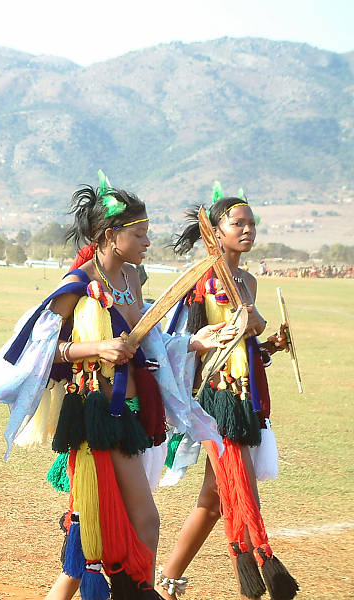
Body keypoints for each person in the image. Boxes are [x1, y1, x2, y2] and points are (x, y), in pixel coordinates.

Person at [0, 172, 233, 600]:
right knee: (142, 521)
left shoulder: (132, 280)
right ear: (111, 235)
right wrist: (97, 347)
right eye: (140, 234)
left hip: (134, 413)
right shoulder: (75, 285)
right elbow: (45, 352)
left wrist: (194, 340)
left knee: (96, 529)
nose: (148, 242)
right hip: (98, 414)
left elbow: (149, 340)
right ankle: (138, 591)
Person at [156, 188, 298, 600]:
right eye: (238, 224)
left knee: (216, 497)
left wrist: (269, 344)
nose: (248, 230)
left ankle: (168, 579)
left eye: (252, 223)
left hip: (245, 397)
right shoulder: (202, 281)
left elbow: (244, 351)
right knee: (240, 490)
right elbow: (193, 343)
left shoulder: (247, 281)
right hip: (218, 400)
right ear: (214, 233)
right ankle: (259, 568)